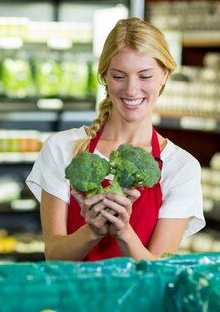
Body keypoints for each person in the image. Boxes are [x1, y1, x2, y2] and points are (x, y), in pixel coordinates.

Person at [26, 17, 205, 262]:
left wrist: (123, 232)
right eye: (119, 76)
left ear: (164, 75)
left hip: (139, 301)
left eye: (145, 77)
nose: (131, 90)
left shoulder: (181, 166)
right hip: (73, 299)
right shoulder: (61, 149)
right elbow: (54, 255)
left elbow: (160, 270)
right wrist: (92, 231)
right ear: (105, 77)